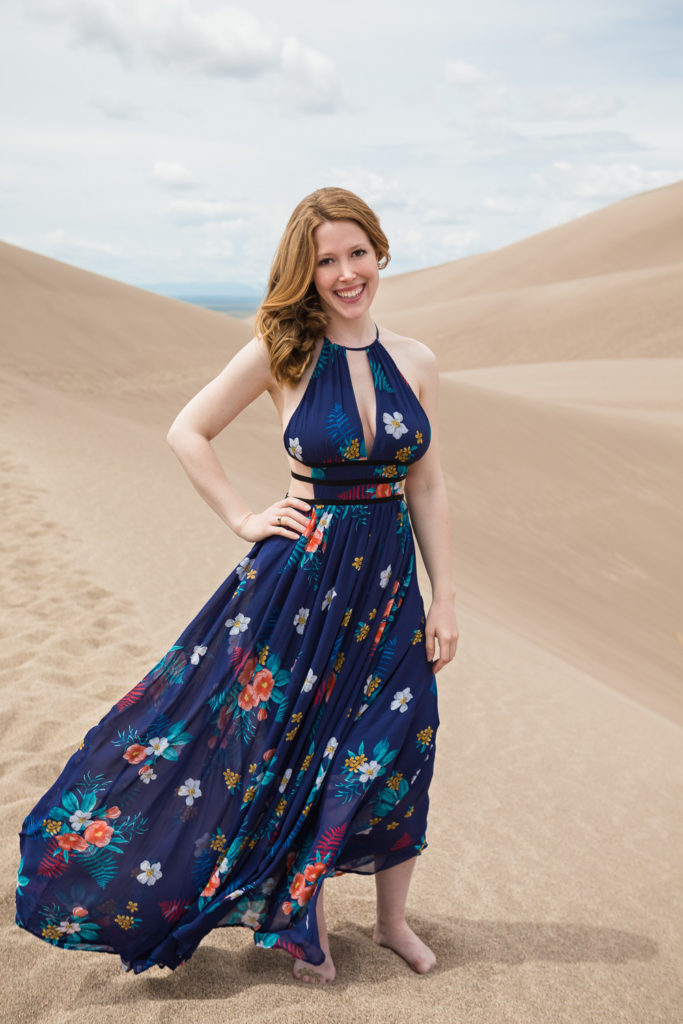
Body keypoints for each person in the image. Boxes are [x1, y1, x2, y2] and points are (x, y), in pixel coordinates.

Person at [15, 186, 459, 984]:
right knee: (301, 751)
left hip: (390, 587)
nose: (346, 272)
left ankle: (393, 921)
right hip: (303, 585)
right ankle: (303, 923)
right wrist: (241, 517)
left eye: (357, 253)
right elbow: (187, 430)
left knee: (401, 744)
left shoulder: (416, 360)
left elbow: (424, 486)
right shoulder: (281, 348)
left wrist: (448, 595)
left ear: (379, 252)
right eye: (326, 260)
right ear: (305, 271)